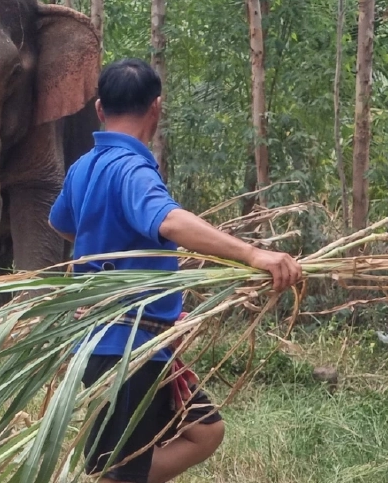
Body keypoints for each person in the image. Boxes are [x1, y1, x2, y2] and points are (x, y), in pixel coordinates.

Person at [48, 58, 302, 483]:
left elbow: (61, 222)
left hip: (140, 343)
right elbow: (168, 221)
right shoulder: (132, 169)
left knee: (205, 431)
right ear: (157, 108)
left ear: (98, 109)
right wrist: (254, 255)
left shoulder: (83, 167)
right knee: (117, 470)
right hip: (124, 349)